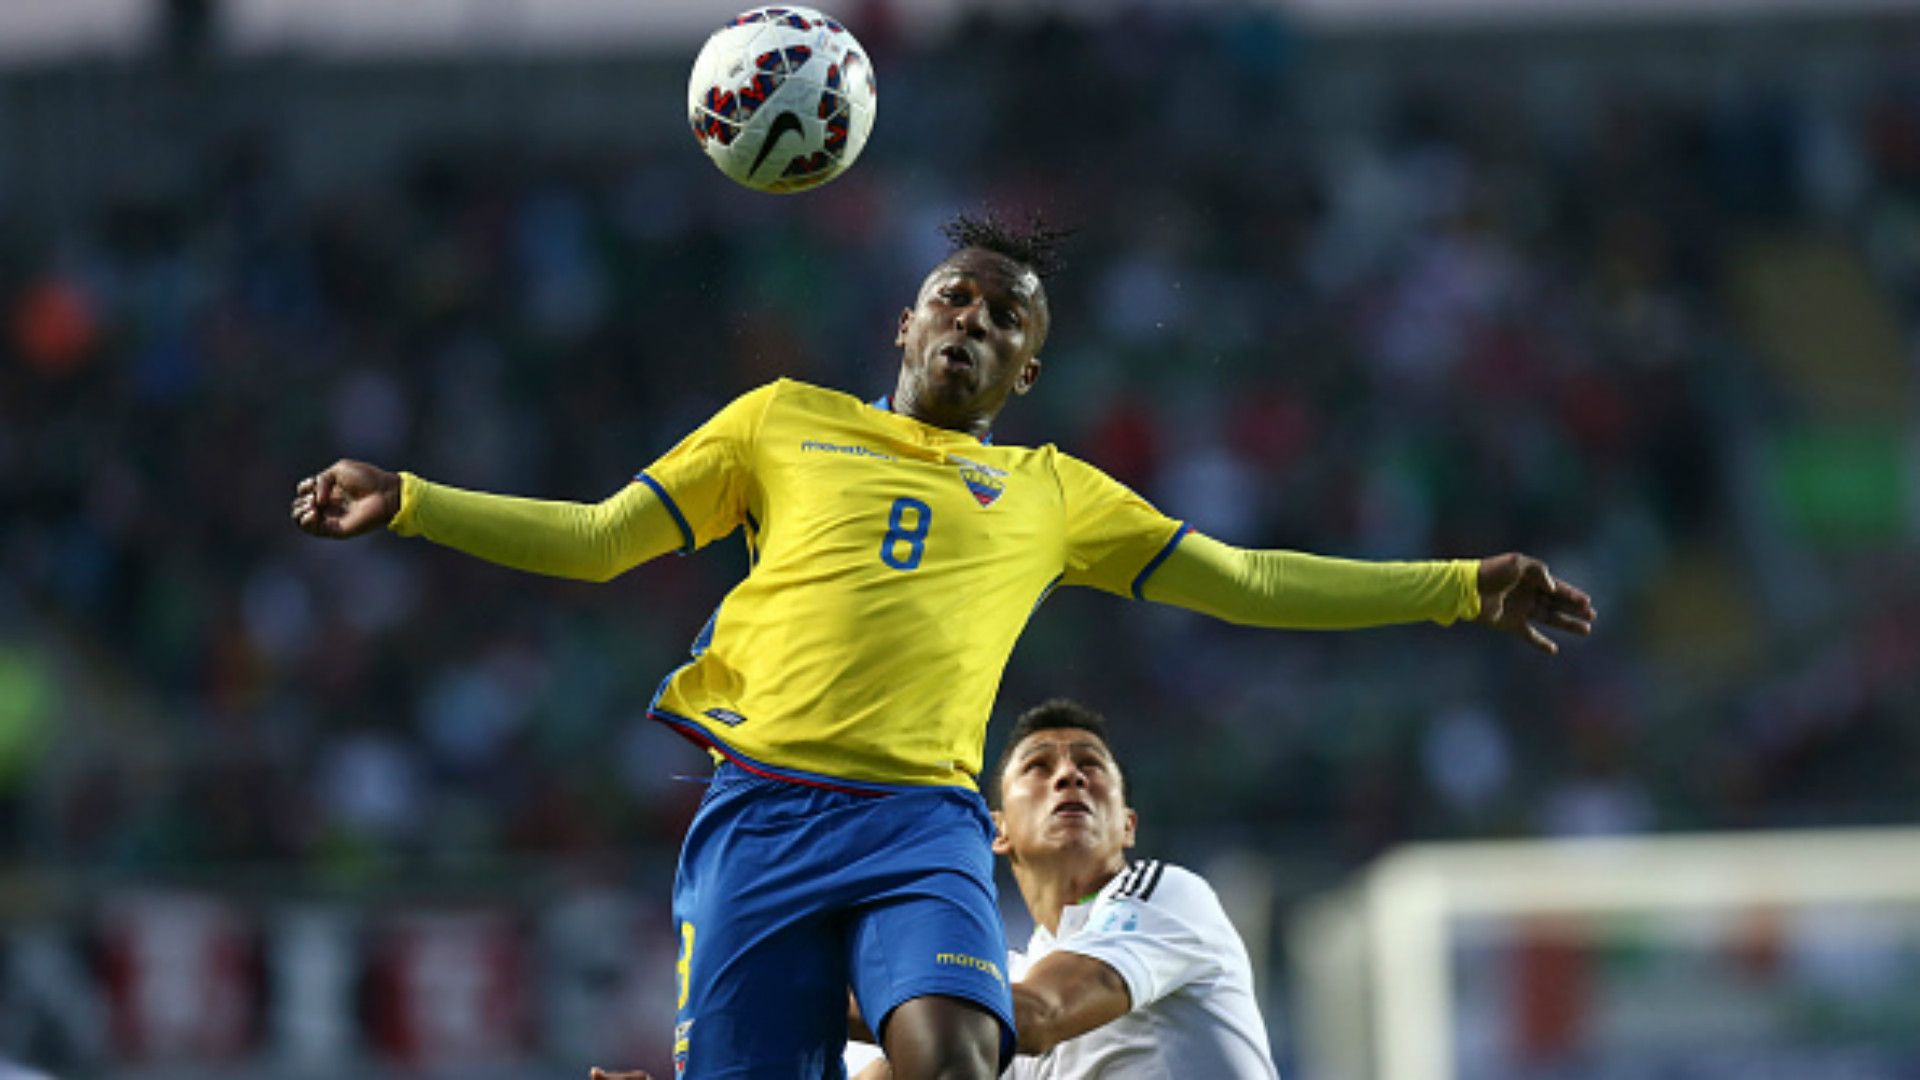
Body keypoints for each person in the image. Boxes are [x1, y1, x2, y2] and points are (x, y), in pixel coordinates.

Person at [291, 214, 1595, 1080]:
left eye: (1006, 316)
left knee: (957, 1053)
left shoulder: (1050, 491)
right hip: (756, 817)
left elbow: (1246, 579)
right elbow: (596, 539)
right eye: (952, 298)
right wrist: (412, 500)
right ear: (905, 328)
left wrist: (1454, 589)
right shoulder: (780, 421)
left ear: (1026, 370)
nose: (974, 318)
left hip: (922, 820)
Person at [844, 698, 1279, 1079]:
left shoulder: (1170, 896)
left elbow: (1040, 1014)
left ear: (1127, 826)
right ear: (997, 831)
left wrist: (818, 999)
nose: (1070, 775)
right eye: (1038, 766)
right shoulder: (1004, 982)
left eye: (1091, 764)